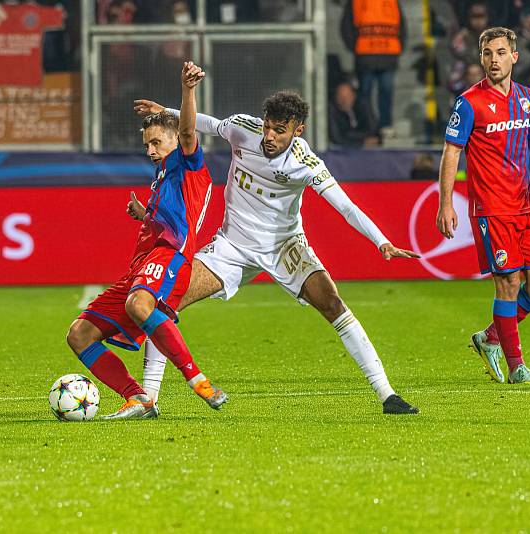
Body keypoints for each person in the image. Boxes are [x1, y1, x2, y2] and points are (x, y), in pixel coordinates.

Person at [133, 91, 421, 415]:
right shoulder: (244, 128)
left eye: (279, 130)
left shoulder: (307, 163)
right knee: (166, 301)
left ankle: (387, 395)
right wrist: (167, 112)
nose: (269, 136)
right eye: (268, 126)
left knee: (333, 303)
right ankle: (149, 399)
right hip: (233, 244)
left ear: (298, 130)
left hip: (284, 245)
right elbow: (206, 124)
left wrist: (381, 241)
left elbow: (346, 207)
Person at [66, 61, 227, 420]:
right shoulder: (162, 176)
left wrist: (187, 91)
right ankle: (138, 398)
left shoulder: (189, 166)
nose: (151, 149)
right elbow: (166, 215)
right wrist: (145, 215)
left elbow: (187, 131)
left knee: (140, 305)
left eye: (157, 142)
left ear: (174, 140)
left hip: (170, 257)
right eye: (147, 144)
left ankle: (198, 380)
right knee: (79, 334)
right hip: (141, 265)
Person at [437, 27, 530, 384]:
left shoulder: (526, 98)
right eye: (488, 54)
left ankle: (490, 337)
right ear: (481, 58)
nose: (494, 60)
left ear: (514, 57)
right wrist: (446, 203)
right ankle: (517, 366)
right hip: (492, 209)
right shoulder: (470, 102)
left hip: (525, 205)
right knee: (507, 284)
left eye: (501, 53)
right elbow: (451, 153)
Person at [341, 0, 406, 136]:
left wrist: (356, 47)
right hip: (372, 56)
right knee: (369, 93)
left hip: (378, 55)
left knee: (378, 92)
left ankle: (380, 126)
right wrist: (356, 47)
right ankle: (371, 126)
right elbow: (346, 26)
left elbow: (402, 25)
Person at [328, 81, 379, 147]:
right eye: (341, 96)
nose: (344, 100)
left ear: (354, 96)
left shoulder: (363, 104)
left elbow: (373, 130)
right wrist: (362, 142)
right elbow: (337, 138)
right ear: (336, 97)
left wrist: (349, 135)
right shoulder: (332, 110)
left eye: (348, 96)